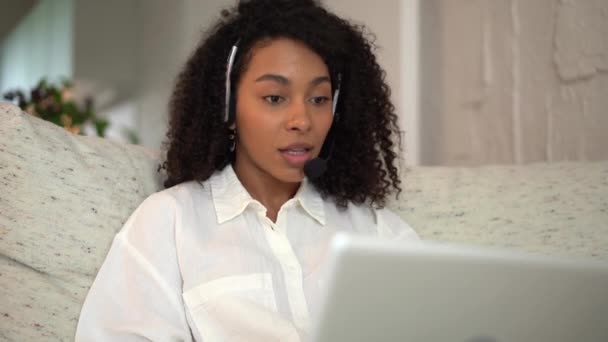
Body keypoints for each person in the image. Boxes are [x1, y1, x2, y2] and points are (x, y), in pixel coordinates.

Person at [75, 0, 418, 340]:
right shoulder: (170, 223)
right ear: (227, 106)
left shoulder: (374, 230)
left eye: (319, 99)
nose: (302, 121)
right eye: (274, 98)